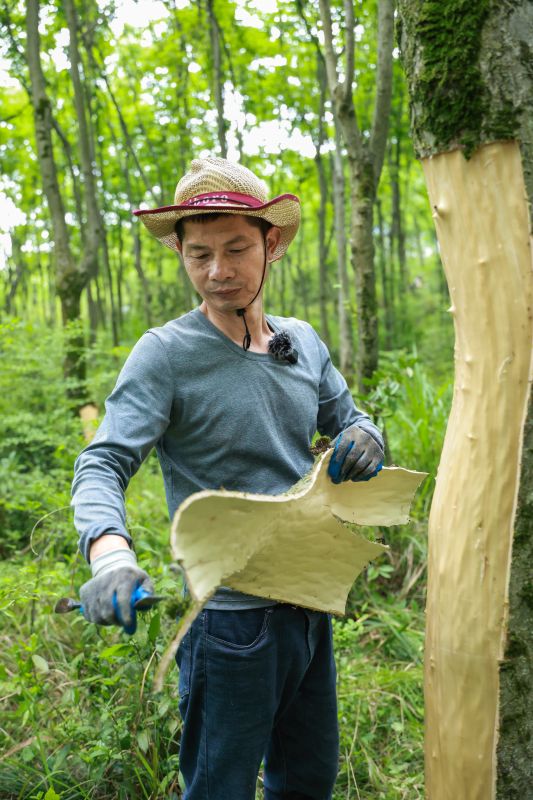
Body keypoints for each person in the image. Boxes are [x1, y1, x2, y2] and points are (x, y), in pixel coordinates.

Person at [71, 156, 384, 800]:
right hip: (230, 625)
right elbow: (102, 462)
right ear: (182, 254)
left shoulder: (303, 341)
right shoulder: (165, 355)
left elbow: (350, 419)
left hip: (309, 605)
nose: (218, 272)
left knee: (308, 780)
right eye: (199, 254)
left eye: (237, 248)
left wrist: (366, 435)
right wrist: (110, 557)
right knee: (221, 787)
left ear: (271, 244)